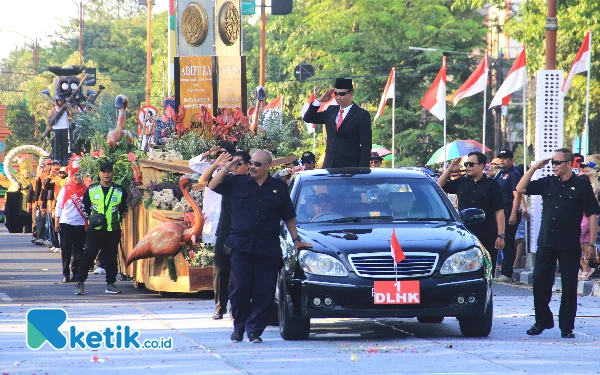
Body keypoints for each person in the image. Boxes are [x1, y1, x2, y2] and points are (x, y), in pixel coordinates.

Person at [209, 150, 312, 343]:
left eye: (257, 164)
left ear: (267, 167)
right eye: (251, 163)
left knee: (264, 292)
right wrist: (226, 168)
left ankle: (255, 330)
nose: (252, 167)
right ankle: (238, 327)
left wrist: (296, 239)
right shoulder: (238, 182)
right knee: (239, 288)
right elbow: (212, 184)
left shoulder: (278, 188)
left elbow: (288, 215)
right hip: (241, 246)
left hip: (268, 247)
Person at [517, 148, 599, 338]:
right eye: (552, 162)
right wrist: (534, 167)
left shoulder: (581, 186)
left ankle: (566, 327)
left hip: (569, 243)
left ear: (569, 164)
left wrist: (591, 244)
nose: (554, 166)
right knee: (539, 282)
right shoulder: (548, 182)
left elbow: (592, 215)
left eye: (557, 163)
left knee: (569, 286)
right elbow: (521, 188)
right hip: (547, 241)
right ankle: (542, 321)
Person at [198, 150, 251, 320]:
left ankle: (235, 308)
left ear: (248, 166)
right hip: (225, 233)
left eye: (239, 163)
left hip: (244, 236)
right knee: (220, 272)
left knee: (239, 274)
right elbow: (204, 181)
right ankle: (219, 307)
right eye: (233, 163)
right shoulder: (228, 182)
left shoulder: (252, 183)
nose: (235, 167)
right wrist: (219, 165)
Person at [438, 152, 505, 269]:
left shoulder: (492, 185)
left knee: (487, 267)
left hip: (487, 233)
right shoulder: (461, 182)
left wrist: (501, 235)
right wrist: (449, 170)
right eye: (466, 164)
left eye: (471, 164)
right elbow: (439, 185)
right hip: (464, 232)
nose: (467, 167)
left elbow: (499, 211)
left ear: (481, 165)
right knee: (465, 267)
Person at [74, 161, 128, 295]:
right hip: (95, 230)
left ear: (112, 173)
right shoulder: (92, 190)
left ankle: (110, 283)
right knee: (88, 255)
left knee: (111, 257)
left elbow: (124, 209)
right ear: (99, 173)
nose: (106, 174)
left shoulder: (119, 191)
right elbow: (84, 206)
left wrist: (117, 219)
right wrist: (91, 219)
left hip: (112, 229)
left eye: (109, 171)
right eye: (104, 171)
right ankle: (80, 282)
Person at [302, 78, 372, 168]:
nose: (338, 97)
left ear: (351, 94)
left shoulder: (361, 115)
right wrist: (319, 101)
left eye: (342, 94)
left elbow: (366, 145)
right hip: (329, 165)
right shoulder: (331, 111)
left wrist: (363, 170)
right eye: (336, 94)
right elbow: (308, 118)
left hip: (351, 166)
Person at [189, 142, 236, 244]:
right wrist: (207, 154)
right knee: (208, 240)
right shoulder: (210, 168)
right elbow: (192, 163)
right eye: (219, 153)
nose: (221, 156)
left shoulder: (235, 171)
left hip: (226, 213)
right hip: (210, 211)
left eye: (225, 153)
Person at [494, 150, 528, 282]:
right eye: (501, 158)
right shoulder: (500, 173)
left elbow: (517, 195)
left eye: (505, 158)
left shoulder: (514, 174)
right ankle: (501, 268)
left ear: (511, 160)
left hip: (509, 210)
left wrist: (514, 214)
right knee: (499, 241)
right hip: (500, 211)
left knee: (508, 241)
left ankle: (507, 273)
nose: (502, 160)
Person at [54, 163, 87, 283]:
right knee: (66, 249)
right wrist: (56, 221)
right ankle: (65, 273)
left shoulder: (85, 190)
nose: (77, 177)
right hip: (66, 222)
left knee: (78, 250)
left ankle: (75, 272)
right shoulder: (66, 189)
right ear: (71, 175)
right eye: (75, 174)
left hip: (80, 223)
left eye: (79, 174)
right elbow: (58, 206)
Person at [47, 94, 71, 165]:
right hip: (56, 128)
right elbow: (49, 118)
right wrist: (49, 126)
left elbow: (71, 114)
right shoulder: (54, 108)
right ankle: (56, 158)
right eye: (59, 100)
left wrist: (69, 108)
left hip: (65, 128)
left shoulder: (66, 108)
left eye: (61, 100)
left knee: (64, 144)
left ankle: (64, 158)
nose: (60, 102)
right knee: (56, 144)